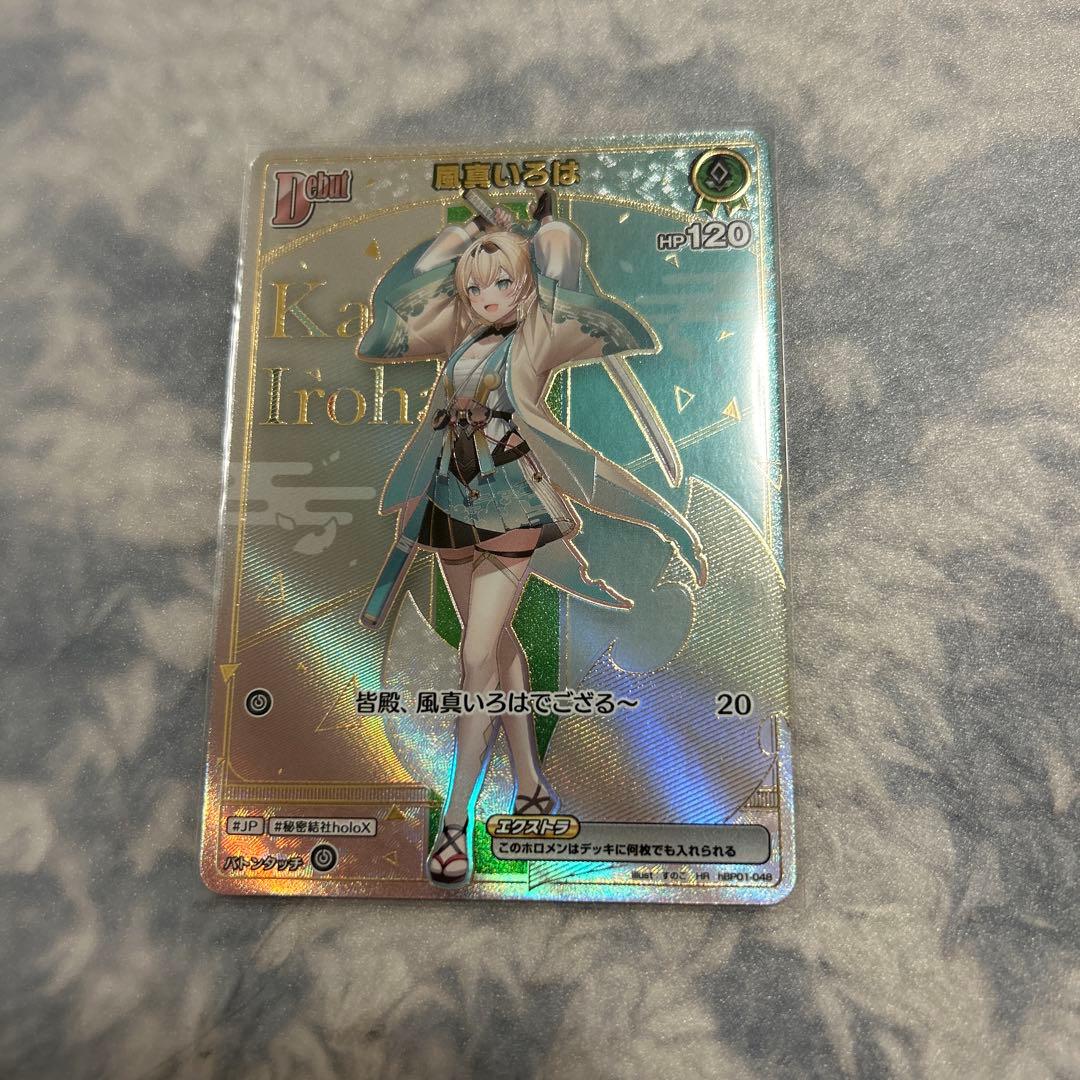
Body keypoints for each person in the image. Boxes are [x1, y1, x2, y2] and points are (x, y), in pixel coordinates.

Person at [356, 191, 706, 886]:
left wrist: (550, 234)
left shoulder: (538, 335)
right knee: (497, 647)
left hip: (513, 508)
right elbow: (388, 313)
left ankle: (454, 822)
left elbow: (564, 275)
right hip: (447, 504)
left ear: (525, 286)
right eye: (474, 287)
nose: (486, 297)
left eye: (501, 283)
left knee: (475, 657)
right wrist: (461, 236)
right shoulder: (459, 336)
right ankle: (529, 783)